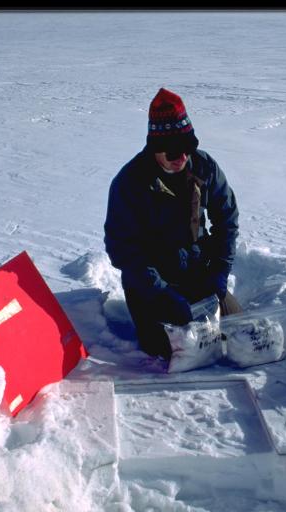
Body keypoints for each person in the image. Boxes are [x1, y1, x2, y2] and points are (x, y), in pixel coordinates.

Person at [104, 87, 242, 359]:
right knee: (173, 350)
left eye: (187, 148)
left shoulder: (204, 167)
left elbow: (227, 220)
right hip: (152, 284)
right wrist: (161, 292)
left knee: (239, 331)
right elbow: (122, 249)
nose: (181, 157)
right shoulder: (130, 183)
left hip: (199, 273)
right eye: (172, 152)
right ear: (156, 149)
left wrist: (220, 270)